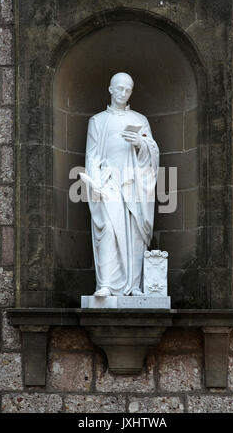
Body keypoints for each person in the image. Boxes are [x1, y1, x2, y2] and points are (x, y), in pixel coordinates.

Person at [83, 72, 159, 297]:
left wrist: (141, 144)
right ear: (110, 89)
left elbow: (153, 153)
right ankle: (106, 283)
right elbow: (92, 155)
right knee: (106, 227)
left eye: (128, 89)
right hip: (108, 181)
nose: (123, 93)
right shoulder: (97, 121)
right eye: (119, 88)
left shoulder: (140, 119)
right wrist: (95, 182)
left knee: (135, 232)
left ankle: (134, 286)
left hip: (134, 182)